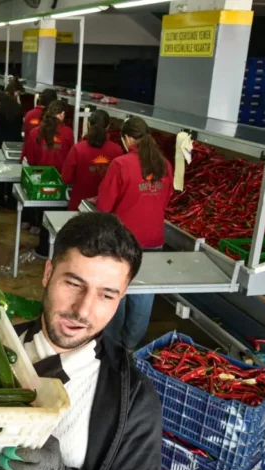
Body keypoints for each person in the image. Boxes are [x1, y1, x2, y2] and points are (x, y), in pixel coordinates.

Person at [0, 212, 162, 470]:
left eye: (106, 295)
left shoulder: (133, 396)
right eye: (74, 284)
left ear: (121, 298)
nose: (82, 310)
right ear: (48, 274)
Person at [97, 116, 173, 350]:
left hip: (123, 240)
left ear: (127, 138)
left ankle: (112, 347)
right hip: (154, 239)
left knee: (116, 291)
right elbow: (166, 199)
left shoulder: (121, 164)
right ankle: (131, 347)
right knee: (144, 294)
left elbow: (104, 206)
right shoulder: (164, 165)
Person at [20, 100, 74, 254]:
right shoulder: (68, 133)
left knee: (41, 210)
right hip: (59, 181)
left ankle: (41, 242)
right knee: (55, 216)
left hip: (39, 181)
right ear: (62, 114)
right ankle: (52, 250)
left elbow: (30, 159)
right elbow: (71, 158)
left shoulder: (35, 132)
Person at [61, 109, 123, 211]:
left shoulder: (78, 149)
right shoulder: (117, 150)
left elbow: (66, 178)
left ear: (89, 124)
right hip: (105, 210)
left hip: (79, 206)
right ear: (108, 127)